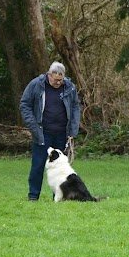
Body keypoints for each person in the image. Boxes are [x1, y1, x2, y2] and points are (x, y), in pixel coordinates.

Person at [20, 61, 81, 201]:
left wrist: (73, 130)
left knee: (61, 167)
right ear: (49, 74)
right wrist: (33, 126)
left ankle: (58, 196)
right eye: (55, 80)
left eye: (61, 80)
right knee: (38, 165)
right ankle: (33, 196)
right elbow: (25, 104)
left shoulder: (70, 87)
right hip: (41, 133)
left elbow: (75, 107)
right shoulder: (36, 85)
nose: (58, 83)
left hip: (62, 133)